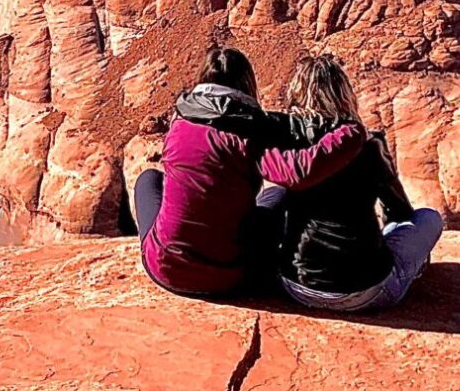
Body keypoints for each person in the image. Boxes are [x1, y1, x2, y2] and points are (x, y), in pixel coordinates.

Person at [133, 46, 367, 296]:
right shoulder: (247, 137)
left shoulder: (179, 123)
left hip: (165, 268)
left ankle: (169, 244)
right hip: (226, 277)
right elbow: (297, 173)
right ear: (247, 85)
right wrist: (349, 132)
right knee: (277, 194)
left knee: (149, 178)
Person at [274, 53, 443, 312]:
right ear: (345, 95)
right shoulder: (367, 145)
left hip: (295, 286)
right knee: (429, 218)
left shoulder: (288, 144)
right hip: (365, 292)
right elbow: (399, 212)